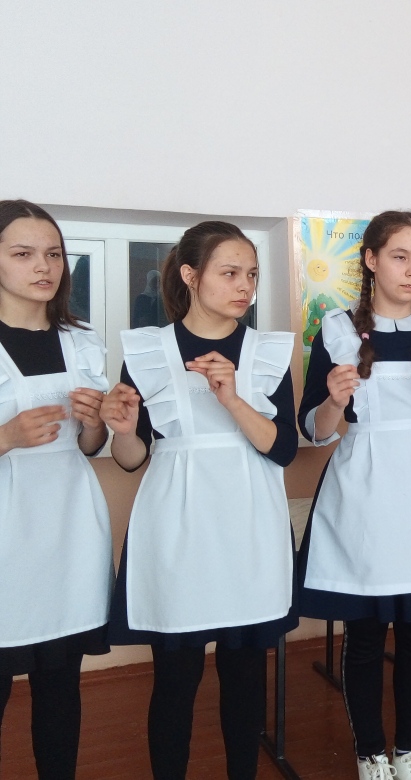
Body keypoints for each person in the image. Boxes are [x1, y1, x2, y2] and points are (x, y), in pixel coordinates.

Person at [102, 220, 298, 780]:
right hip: (177, 525)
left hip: (250, 524)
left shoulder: (266, 351)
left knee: (244, 678)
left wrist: (233, 399)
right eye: (230, 273)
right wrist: (122, 431)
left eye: (251, 274)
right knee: (175, 679)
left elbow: (283, 449)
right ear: (190, 275)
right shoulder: (148, 351)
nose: (245, 286)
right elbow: (132, 459)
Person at [296, 211, 411, 780]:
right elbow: (313, 431)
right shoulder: (336, 333)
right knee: (366, 633)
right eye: (400, 257)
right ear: (371, 260)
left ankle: (410, 750)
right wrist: (332, 401)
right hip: (364, 493)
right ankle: (370, 752)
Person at [0, 200, 113, 780]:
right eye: (23, 254)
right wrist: (7, 436)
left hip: (69, 528)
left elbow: (90, 446)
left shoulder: (82, 342)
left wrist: (95, 423)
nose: (43, 266)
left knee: (61, 687)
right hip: (6, 534)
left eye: (53, 254)